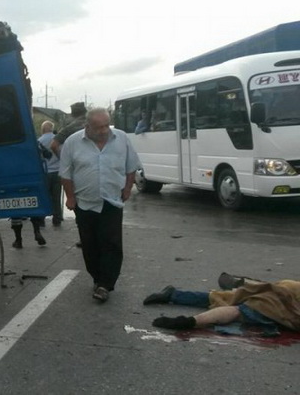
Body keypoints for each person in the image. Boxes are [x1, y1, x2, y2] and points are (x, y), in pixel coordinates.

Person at [59, 107, 141, 302]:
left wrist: (128, 188)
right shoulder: (73, 142)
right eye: (99, 127)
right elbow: (65, 172)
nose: (104, 130)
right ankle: (97, 278)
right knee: (90, 244)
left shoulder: (121, 138)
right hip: (84, 202)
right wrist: (70, 197)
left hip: (112, 200)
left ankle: (106, 284)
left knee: (111, 242)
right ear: (87, 126)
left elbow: (131, 167)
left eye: (106, 125)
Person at [143, 278, 300, 333]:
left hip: (283, 290)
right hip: (282, 298)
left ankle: (174, 295)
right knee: (240, 311)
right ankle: (189, 321)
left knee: (224, 297)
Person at [37, 120, 63, 226]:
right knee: (56, 197)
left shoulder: (39, 141)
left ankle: (41, 219)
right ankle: (57, 218)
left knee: (44, 195)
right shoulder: (58, 140)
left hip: (45, 171)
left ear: (42, 129)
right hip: (58, 171)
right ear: (52, 128)